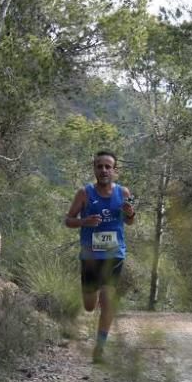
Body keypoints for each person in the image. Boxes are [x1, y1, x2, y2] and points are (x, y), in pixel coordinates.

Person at [64, 150, 135, 363]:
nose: (103, 170)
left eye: (107, 167)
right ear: (94, 169)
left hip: (114, 254)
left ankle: (100, 348)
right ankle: (92, 299)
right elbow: (68, 220)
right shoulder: (84, 193)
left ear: (115, 170)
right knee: (89, 304)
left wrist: (130, 213)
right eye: (99, 166)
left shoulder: (122, 193)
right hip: (90, 256)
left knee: (107, 299)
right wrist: (84, 222)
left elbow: (130, 221)